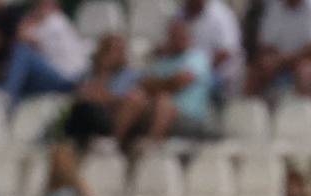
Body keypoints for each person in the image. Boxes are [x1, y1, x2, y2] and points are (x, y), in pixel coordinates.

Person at [114, 20, 216, 149]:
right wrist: (168, 83)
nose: (177, 39)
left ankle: (151, 148)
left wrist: (160, 85)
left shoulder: (198, 57)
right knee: (135, 97)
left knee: (163, 101)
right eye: (173, 36)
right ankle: (115, 144)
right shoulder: (162, 61)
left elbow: (180, 82)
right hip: (155, 107)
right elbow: (144, 84)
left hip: (187, 114)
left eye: (180, 35)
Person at [0, 0, 88, 108]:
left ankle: (5, 95)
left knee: (21, 51)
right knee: (20, 78)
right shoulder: (45, 19)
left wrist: (30, 19)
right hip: (54, 76)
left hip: (67, 79)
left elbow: (21, 36)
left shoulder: (55, 21)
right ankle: (5, 107)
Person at [63, 32, 140, 150]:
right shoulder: (88, 73)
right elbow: (79, 93)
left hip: (110, 117)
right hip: (85, 113)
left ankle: (111, 145)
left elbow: (117, 98)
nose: (111, 54)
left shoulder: (129, 75)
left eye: (116, 50)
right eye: (107, 49)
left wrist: (98, 91)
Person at [246, 0, 311, 98]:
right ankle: (253, 109)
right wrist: (277, 59)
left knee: (305, 72)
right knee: (256, 72)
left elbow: (308, 48)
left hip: (303, 60)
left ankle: (303, 110)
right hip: (277, 58)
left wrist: (284, 59)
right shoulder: (273, 7)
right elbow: (265, 43)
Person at [178, 0, 244, 94]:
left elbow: (226, 52)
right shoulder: (183, 10)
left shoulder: (221, 15)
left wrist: (198, 70)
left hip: (219, 75)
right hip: (187, 67)